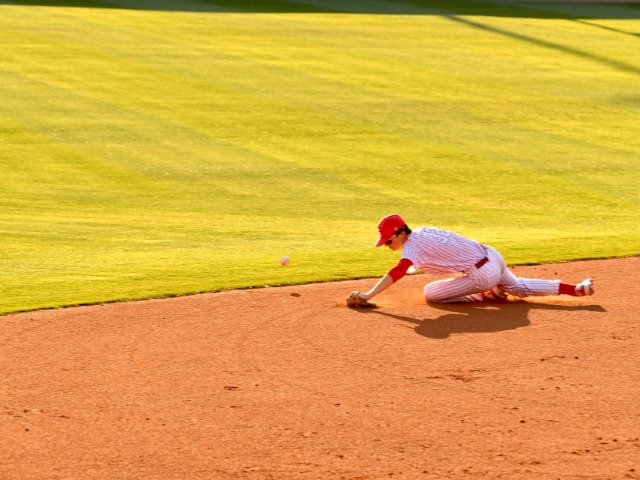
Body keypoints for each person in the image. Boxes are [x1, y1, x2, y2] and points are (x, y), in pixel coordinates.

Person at [351, 214, 594, 304]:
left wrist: (368, 295)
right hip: (493, 255)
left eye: (388, 241)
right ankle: (576, 289)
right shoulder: (423, 232)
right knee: (518, 287)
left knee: (430, 293)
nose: (387, 245)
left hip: (482, 275)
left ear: (401, 233)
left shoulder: (412, 247)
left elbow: (398, 272)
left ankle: (487, 295)